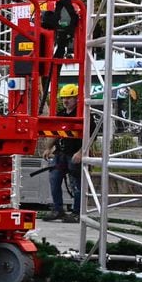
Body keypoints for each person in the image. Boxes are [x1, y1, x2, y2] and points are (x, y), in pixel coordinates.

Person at [46, 85, 83, 222]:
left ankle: (76, 213)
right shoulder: (61, 114)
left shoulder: (83, 115)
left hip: (74, 155)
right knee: (54, 180)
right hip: (60, 154)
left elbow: (91, 136)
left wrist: (81, 152)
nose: (65, 101)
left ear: (76, 99)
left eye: (69, 98)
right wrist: (48, 148)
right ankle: (58, 210)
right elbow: (55, 134)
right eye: (63, 98)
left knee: (76, 185)